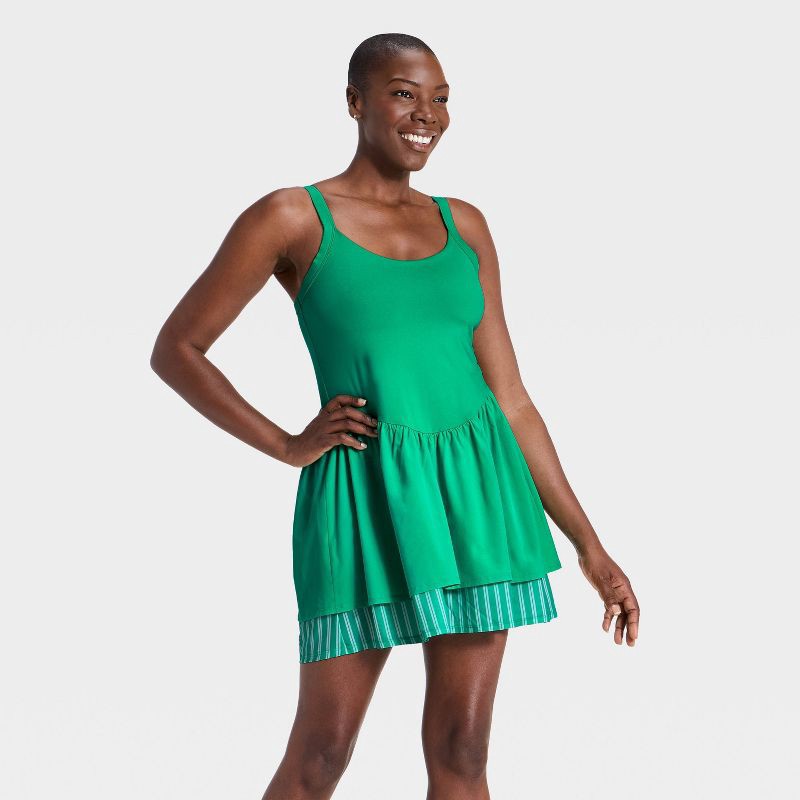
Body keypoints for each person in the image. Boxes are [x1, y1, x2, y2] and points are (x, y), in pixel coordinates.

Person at [151, 31, 640, 800]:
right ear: (355, 102)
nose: (427, 115)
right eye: (404, 94)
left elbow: (512, 400)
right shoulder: (292, 216)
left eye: (440, 99)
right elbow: (178, 349)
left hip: (476, 499)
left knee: (463, 750)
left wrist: (591, 548)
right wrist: (286, 444)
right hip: (362, 498)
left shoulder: (464, 225)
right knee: (322, 753)